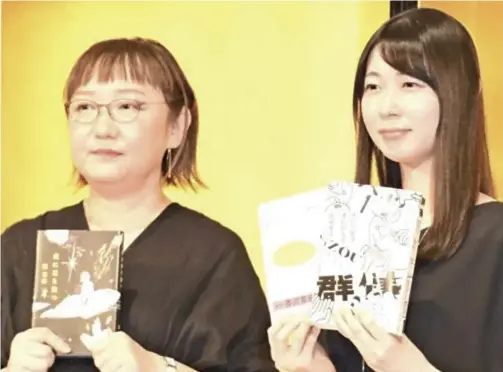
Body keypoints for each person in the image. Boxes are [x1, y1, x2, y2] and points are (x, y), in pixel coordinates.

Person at [1, 37, 278, 372]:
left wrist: (159, 368)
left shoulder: (216, 255)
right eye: (85, 108)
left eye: (127, 107)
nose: (102, 128)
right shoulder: (19, 247)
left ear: (177, 127)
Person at [268, 7, 503, 372]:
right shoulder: (346, 239)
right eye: (373, 87)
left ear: (457, 94)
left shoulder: (495, 239)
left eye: (410, 84)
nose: (386, 107)